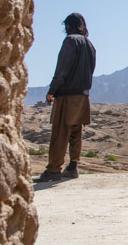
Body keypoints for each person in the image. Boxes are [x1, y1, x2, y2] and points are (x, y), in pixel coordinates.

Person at [37, 13, 97, 182]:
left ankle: (54, 170)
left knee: (60, 132)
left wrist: (52, 90)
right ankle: (72, 167)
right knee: (76, 131)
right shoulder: (90, 45)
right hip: (83, 95)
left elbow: (62, 69)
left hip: (67, 94)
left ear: (69, 26)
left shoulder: (70, 41)